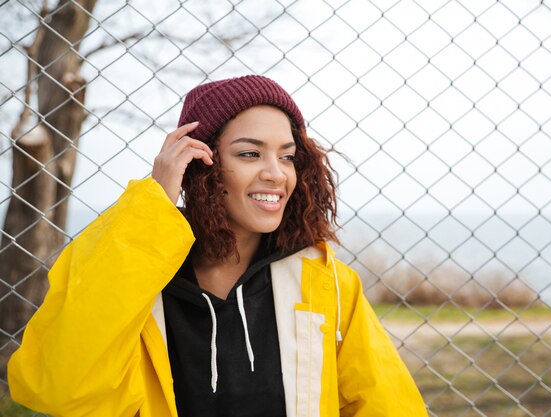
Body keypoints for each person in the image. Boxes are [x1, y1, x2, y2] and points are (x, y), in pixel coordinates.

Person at [8, 75, 427, 416]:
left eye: (287, 156)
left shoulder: (327, 283)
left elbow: (387, 406)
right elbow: (59, 387)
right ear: (199, 164)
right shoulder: (140, 281)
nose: (276, 174)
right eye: (249, 154)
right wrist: (152, 206)